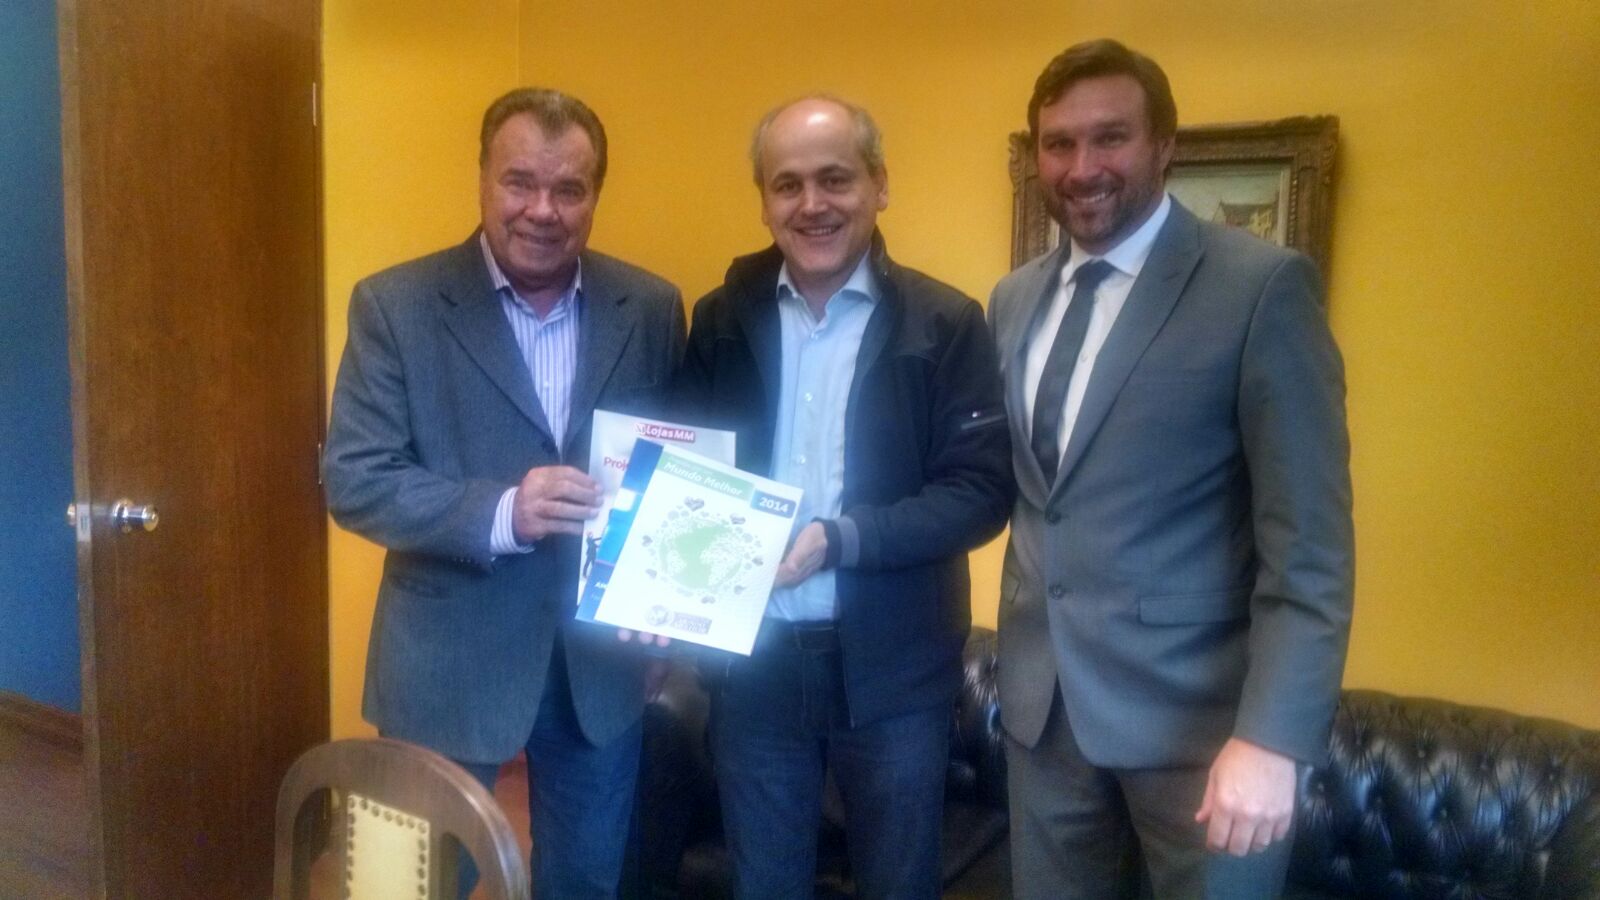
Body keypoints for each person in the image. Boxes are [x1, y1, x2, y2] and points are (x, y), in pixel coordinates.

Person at [988, 39, 1355, 898]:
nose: (1083, 167)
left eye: (1110, 138)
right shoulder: (1014, 298)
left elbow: (1309, 548)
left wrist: (1273, 739)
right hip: (1045, 720)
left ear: (1164, 146)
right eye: (1059, 143)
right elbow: (1041, 500)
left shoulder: (1261, 288)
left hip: (1204, 735)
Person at [323, 87, 684, 898]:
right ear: (483, 178)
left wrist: (665, 617)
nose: (542, 210)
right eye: (520, 182)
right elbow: (356, 477)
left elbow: (666, 470)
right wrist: (502, 513)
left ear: (596, 193)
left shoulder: (652, 307)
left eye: (569, 189)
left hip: (602, 671)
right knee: (405, 889)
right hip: (444, 665)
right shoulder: (395, 304)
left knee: (586, 885)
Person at [670, 95, 1013, 898]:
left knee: (898, 884)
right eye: (787, 184)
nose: (812, 204)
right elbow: (682, 470)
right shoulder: (720, 319)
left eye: (835, 178)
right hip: (753, 666)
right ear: (764, 202)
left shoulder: (945, 321)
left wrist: (840, 538)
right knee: (765, 886)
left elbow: (980, 492)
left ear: (879, 184)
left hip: (896, 673)